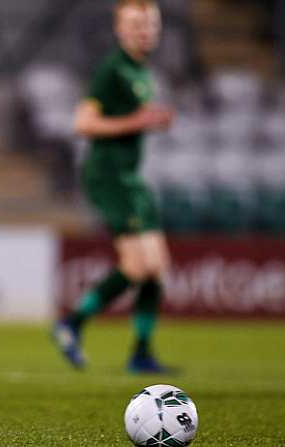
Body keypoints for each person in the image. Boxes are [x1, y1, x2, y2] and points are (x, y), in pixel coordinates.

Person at [53, 0, 174, 374]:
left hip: (132, 178)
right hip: (109, 176)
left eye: (150, 24)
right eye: (136, 25)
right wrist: (136, 121)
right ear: (120, 30)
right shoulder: (112, 70)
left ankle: (141, 352)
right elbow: (83, 124)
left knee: (157, 267)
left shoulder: (140, 70)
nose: (145, 31)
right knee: (138, 266)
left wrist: (146, 121)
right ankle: (71, 323)